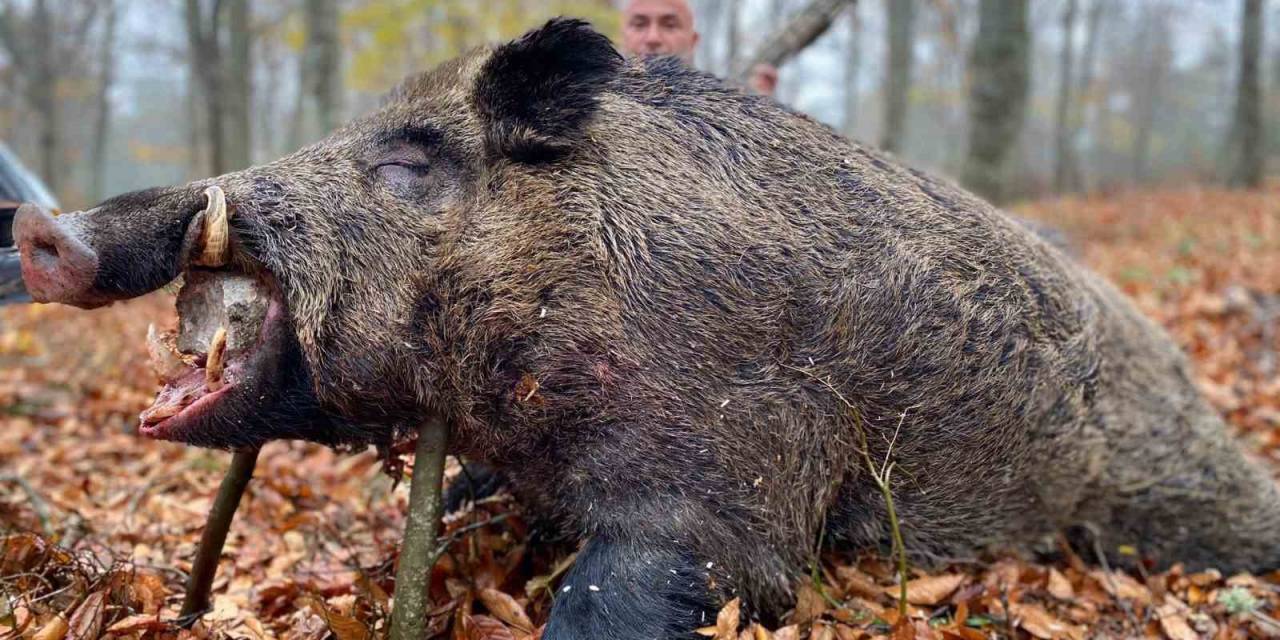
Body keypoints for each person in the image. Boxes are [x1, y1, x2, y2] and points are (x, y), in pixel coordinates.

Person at [619, 0, 778, 97]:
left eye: (669, 25)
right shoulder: (598, 101)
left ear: (693, 41)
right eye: (639, 25)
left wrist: (761, 107)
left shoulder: (725, 101)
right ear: (622, 37)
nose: (653, 38)